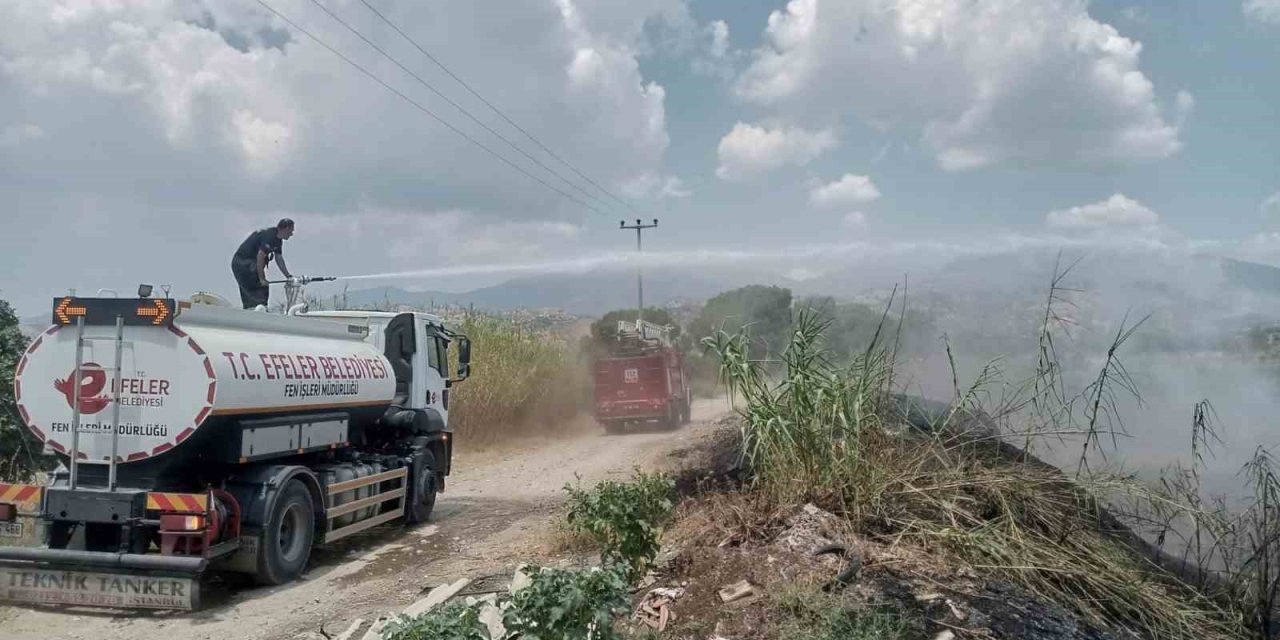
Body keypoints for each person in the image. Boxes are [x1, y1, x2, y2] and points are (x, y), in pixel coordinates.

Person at [231, 218, 295, 309]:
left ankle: (254, 310)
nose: (292, 234)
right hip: (242, 263)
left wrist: (288, 276)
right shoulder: (270, 236)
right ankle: (257, 310)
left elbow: (279, 258)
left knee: (255, 290)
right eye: (291, 231)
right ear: (286, 229)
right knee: (259, 288)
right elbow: (260, 257)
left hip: (247, 263)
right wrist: (262, 278)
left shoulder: (277, 239)